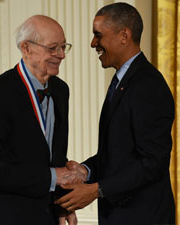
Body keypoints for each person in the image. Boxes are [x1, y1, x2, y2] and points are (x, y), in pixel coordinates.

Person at [0, 15, 85, 225]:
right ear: (26, 48)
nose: (61, 55)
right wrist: (54, 177)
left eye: (63, 47)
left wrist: (62, 204)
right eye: (53, 48)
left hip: (41, 213)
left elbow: (49, 157)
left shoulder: (61, 91)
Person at [55, 3, 175, 225]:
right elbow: (120, 154)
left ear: (124, 35)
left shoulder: (148, 85)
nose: (93, 43)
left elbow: (152, 162)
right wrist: (86, 170)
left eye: (98, 35)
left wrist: (97, 189)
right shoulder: (124, 81)